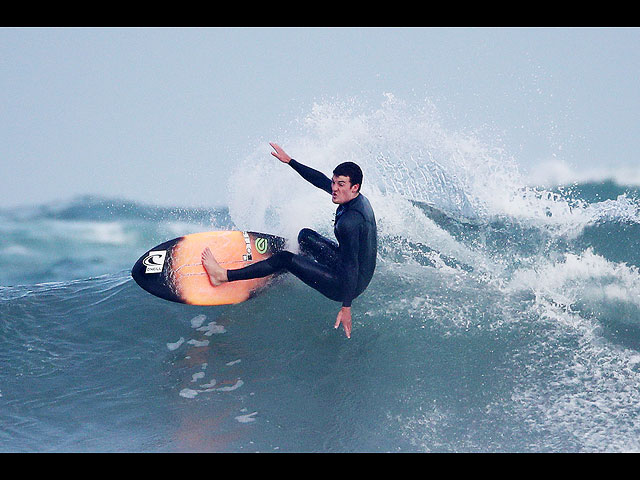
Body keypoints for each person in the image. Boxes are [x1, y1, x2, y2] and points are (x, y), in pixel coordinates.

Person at [201, 142, 377, 338]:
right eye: (334, 182)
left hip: (345, 284)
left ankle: (223, 276)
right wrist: (290, 161)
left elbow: (351, 266)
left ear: (354, 187)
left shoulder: (350, 223)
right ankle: (296, 267)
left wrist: (346, 306)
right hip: (352, 266)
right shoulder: (355, 198)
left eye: (340, 184)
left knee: (285, 258)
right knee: (305, 236)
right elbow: (319, 180)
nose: (333, 188)